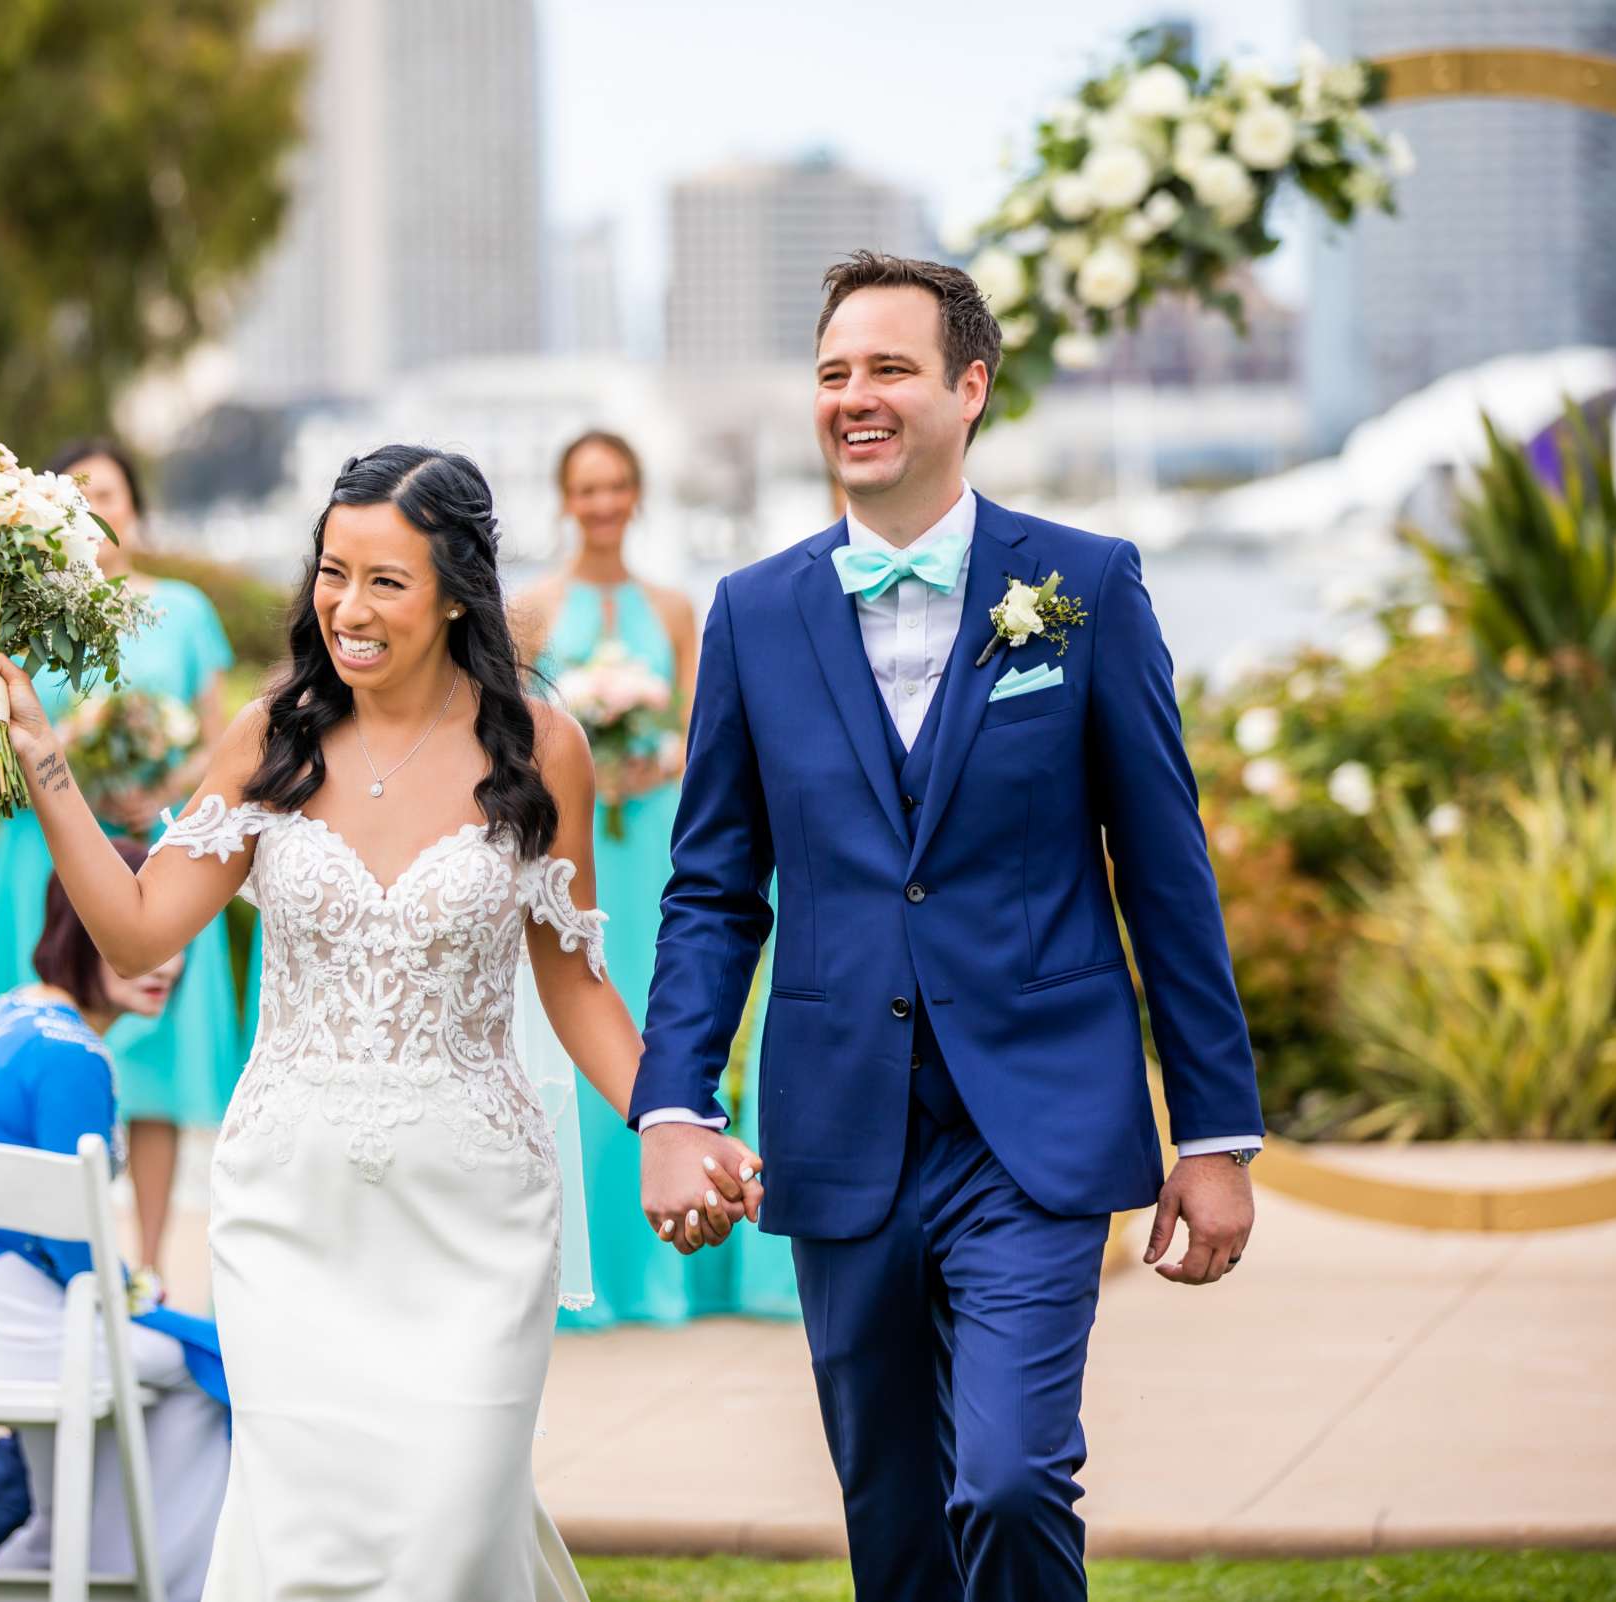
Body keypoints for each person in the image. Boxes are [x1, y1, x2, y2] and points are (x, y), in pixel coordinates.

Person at [0, 446, 764, 1601]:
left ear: (455, 591)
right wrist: (45, 760)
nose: (348, 608)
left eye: (386, 580)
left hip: (474, 1214)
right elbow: (137, 934)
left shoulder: (542, 747)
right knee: (308, 1558)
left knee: (450, 1536)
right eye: (333, 574)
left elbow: (575, 981)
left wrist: (671, 1120)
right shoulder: (269, 738)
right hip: (291, 1211)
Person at [630, 253, 1264, 1602]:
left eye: (891, 368)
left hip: (1032, 1123)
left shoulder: (1083, 586)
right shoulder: (752, 613)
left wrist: (1213, 1133)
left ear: (969, 388)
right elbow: (712, 885)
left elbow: (1165, 871)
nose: (856, 398)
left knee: (1015, 1475)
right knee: (897, 1518)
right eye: (834, 373)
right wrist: (675, 1102)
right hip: (842, 1117)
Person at [0, 438, 243, 1280]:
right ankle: (42, 1258)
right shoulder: (21, 617)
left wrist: (160, 779)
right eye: (77, 496)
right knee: (48, 1045)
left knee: (154, 1066)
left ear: (136, 507)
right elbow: (1, 738)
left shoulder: (186, 610)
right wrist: (66, 776)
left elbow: (218, 736)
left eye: (112, 494)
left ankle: (150, 1264)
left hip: (152, 851)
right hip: (43, 862)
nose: (99, 510)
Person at [0, 853, 228, 1599]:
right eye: (144, 932)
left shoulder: (17, 1013)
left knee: (166, 1356)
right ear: (87, 924)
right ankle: (171, 1581)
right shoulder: (72, 1055)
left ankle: (55, 1557)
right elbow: (78, 1250)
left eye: (176, 937)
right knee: (209, 1373)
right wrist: (138, 1298)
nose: (170, 961)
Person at [516, 431, 731, 1331]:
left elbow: (697, 726)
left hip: (649, 838)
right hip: (575, 840)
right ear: (566, 499)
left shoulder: (676, 607)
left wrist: (656, 757)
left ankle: (660, 1273)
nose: (601, 503)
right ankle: (582, 1274)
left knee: (651, 1020)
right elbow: (519, 731)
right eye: (586, 488)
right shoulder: (530, 608)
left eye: (616, 487)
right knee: (578, 1026)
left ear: (636, 496)